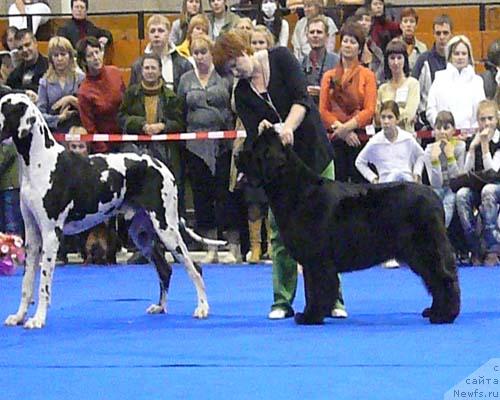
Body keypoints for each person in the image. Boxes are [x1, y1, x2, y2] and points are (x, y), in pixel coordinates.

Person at [212, 30, 347, 319]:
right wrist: (263, 130)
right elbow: (255, 136)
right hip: (283, 174)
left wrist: (287, 127)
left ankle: (333, 299)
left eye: (236, 64)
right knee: (281, 231)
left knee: (329, 228)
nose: (237, 73)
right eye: (230, 72)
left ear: (245, 50)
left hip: (314, 153)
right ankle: (282, 300)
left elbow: (302, 100)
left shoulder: (282, 58)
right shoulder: (242, 93)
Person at [177, 35, 240, 264]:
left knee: (226, 194)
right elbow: (180, 110)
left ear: (212, 53)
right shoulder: (185, 79)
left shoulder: (225, 77)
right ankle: (210, 245)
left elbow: (235, 107)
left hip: (224, 144)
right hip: (194, 146)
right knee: (202, 196)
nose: (200, 56)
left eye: (204, 51)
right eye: (196, 52)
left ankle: (234, 245)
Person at [319, 22, 377, 183]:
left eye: (353, 42)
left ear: (359, 48)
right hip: (336, 138)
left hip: (360, 139)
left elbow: (369, 110)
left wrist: (347, 128)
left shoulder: (368, 75)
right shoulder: (328, 76)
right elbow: (323, 111)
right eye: (345, 40)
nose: (348, 45)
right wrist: (343, 132)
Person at [456, 100, 500, 266]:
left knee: (488, 191)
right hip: (478, 186)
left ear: (497, 119)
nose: (486, 123)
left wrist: (485, 146)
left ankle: (492, 249)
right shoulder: (473, 139)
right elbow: (465, 172)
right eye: (482, 119)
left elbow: (492, 173)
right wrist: (472, 149)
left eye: (490, 118)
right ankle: (476, 248)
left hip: (496, 186)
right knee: (461, 195)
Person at [355, 100, 424, 184]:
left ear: (397, 119)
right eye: (383, 117)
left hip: (407, 183)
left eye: (390, 117)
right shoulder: (375, 142)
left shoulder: (407, 138)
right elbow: (359, 162)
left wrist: (417, 173)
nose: (386, 121)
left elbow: (421, 155)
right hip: (386, 185)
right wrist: (373, 178)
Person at [76, 36, 125, 153]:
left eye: (97, 52)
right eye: (90, 55)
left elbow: (126, 105)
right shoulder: (84, 91)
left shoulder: (115, 72)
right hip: (104, 147)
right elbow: (90, 128)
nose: (95, 58)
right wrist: (104, 151)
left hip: (125, 138)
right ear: (83, 61)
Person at [426, 35, 485, 130]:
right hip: (443, 136)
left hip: (470, 136)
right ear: (450, 56)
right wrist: (442, 128)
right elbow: (431, 109)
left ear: (469, 57)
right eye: (456, 53)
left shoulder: (477, 81)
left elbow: (482, 112)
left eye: (464, 53)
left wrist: (470, 132)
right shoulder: (440, 78)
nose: (460, 57)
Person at [423, 111, 465, 228]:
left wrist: (451, 158)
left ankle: (440, 232)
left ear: (453, 130)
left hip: (453, 188)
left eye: (446, 128)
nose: (442, 132)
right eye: (438, 128)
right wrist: (435, 161)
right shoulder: (428, 150)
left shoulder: (460, 147)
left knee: (449, 202)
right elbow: (435, 184)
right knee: (432, 201)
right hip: (437, 188)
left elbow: (458, 180)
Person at [130, 15, 193, 93]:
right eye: (152, 31)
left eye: (161, 31)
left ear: (169, 33)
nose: (156, 35)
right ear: (148, 35)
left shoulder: (184, 64)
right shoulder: (138, 65)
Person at [411, 14, 453, 130]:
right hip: (428, 123)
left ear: (451, 34)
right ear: (433, 34)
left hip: (454, 122)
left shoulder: (458, 61)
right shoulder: (423, 60)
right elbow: (413, 88)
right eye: (438, 33)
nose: (442, 37)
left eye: (445, 33)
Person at [37, 36, 85, 133]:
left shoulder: (81, 79)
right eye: (55, 55)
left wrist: (71, 99)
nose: (59, 58)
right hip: (54, 132)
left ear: (70, 56)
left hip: (77, 130)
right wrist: (59, 118)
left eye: (63, 54)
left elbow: (89, 108)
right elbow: (39, 114)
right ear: (51, 59)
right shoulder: (44, 82)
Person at [377, 38, 419, 133]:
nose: (396, 62)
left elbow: (409, 114)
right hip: (386, 137)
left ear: (405, 59)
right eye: (392, 58)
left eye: (399, 58)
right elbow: (378, 118)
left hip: (406, 136)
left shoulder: (413, 84)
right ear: (387, 61)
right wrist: (400, 113)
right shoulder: (382, 89)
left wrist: (387, 116)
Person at [302, 15, 339, 104]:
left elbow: (344, 94)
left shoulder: (337, 62)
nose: (315, 35)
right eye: (312, 32)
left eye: (319, 32)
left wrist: (324, 93)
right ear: (307, 36)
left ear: (327, 36)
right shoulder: (299, 63)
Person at [6, 28, 48, 103]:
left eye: (27, 45)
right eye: (20, 48)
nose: (25, 50)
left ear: (35, 43)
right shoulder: (14, 75)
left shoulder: (51, 67)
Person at [352, 7, 384, 84]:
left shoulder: (375, 48)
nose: (363, 23)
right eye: (360, 20)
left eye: (367, 20)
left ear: (371, 24)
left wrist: (373, 80)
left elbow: (383, 64)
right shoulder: (348, 45)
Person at [398, 7, 427, 71]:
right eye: (405, 21)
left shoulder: (422, 48)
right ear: (400, 25)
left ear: (416, 25)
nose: (408, 25)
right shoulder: (393, 46)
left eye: (412, 21)